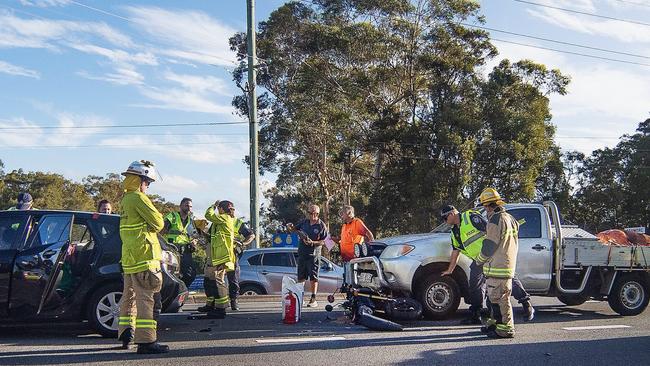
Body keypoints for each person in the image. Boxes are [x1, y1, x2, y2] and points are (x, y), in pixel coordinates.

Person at [441, 205, 534, 325]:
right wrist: (450, 270)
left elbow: (491, 231)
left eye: (444, 218)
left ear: (451, 214)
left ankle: (527, 304)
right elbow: (456, 250)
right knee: (475, 286)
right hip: (478, 260)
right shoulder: (454, 231)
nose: (444, 221)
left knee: (507, 280)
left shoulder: (471, 217)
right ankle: (476, 314)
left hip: (492, 256)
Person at [116, 160, 169, 354]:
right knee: (146, 299)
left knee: (128, 298)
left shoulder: (125, 200)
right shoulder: (139, 198)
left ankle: (126, 335)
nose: (148, 186)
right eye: (147, 182)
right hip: (145, 257)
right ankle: (146, 342)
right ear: (140, 180)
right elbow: (158, 222)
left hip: (130, 259)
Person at [475, 188, 520, 338]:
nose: (485, 211)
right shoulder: (510, 218)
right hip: (506, 266)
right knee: (496, 299)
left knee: (500, 300)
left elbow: (489, 246)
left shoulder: (495, 220)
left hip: (497, 267)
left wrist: (479, 260)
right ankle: (495, 326)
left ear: (488, 206)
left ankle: (505, 329)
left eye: (485, 207)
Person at [199, 200, 236, 319]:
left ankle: (221, 309)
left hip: (222, 256)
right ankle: (216, 306)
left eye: (218, 208)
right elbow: (213, 238)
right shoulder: (221, 221)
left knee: (219, 282)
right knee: (213, 280)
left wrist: (212, 206)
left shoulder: (224, 217)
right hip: (218, 256)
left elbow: (208, 215)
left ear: (221, 209)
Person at [287, 204, 328, 308]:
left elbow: (324, 241)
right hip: (302, 253)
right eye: (309, 213)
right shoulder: (304, 222)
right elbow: (294, 230)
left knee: (313, 277)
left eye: (312, 213)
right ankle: (300, 297)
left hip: (314, 254)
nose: (310, 215)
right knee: (301, 276)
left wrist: (313, 243)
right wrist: (290, 227)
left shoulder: (321, 225)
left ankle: (313, 299)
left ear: (317, 214)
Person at [161, 198, 198, 287]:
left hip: (185, 250)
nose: (189, 208)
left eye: (190, 206)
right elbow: (161, 231)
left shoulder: (191, 220)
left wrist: (194, 241)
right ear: (181, 206)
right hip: (172, 249)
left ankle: (181, 289)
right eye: (187, 206)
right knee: (172, 274)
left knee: (190, 274)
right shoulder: (172, 216)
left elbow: (194, 235)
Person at [227, 206, 255, 311]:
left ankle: (234, 300)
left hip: (233, 253)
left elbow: (251, 235)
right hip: (218, 253)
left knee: (233, 278)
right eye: (230, 209)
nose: (232, 211)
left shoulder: (238, 223)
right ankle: (216, 302)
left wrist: (243, 243)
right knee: (215, 279)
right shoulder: (218, 221)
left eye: (233, 209)